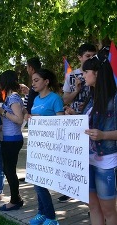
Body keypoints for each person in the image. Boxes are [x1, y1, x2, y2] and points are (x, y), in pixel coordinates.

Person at [68, 48, 117, 225]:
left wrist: (104, 134)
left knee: (108, 210)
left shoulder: (114, 98)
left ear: (96, 74)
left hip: (106, 161)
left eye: (86, 71)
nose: (83, 75)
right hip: (86, 160)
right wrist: (74, 117)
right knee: (93, 207)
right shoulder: (91, 98)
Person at [59, 43, 96, 203]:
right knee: (73, 158)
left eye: (93, 56)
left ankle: (92, 195)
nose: (91, 59)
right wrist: (76, 90)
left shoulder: (99, 74)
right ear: (80, 57)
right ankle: (71, 189)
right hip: (74, 122)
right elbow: (65, 100)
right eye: (88, 56)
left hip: (92, 122)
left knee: (90, 159)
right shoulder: (72, 76)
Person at [29, 68, 64, 225]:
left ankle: (51, 217)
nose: (33, 83)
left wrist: (41, 119)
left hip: (49, 148)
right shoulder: (36, 99)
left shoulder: (55, 99)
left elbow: (62, 123)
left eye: (36, 80)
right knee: (37, 180)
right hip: (36, 146)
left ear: (46, 81)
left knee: (40, 183)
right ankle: (42, 212)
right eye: (32, 80)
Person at [0, 70, 25, 211]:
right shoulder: (10, 97)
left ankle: (15, 200)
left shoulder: (13, 98)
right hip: (8, 138)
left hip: (13, 139)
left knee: (9, 170)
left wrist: (2, 112)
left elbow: (18, 119)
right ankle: (15, 198)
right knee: (8, 170)